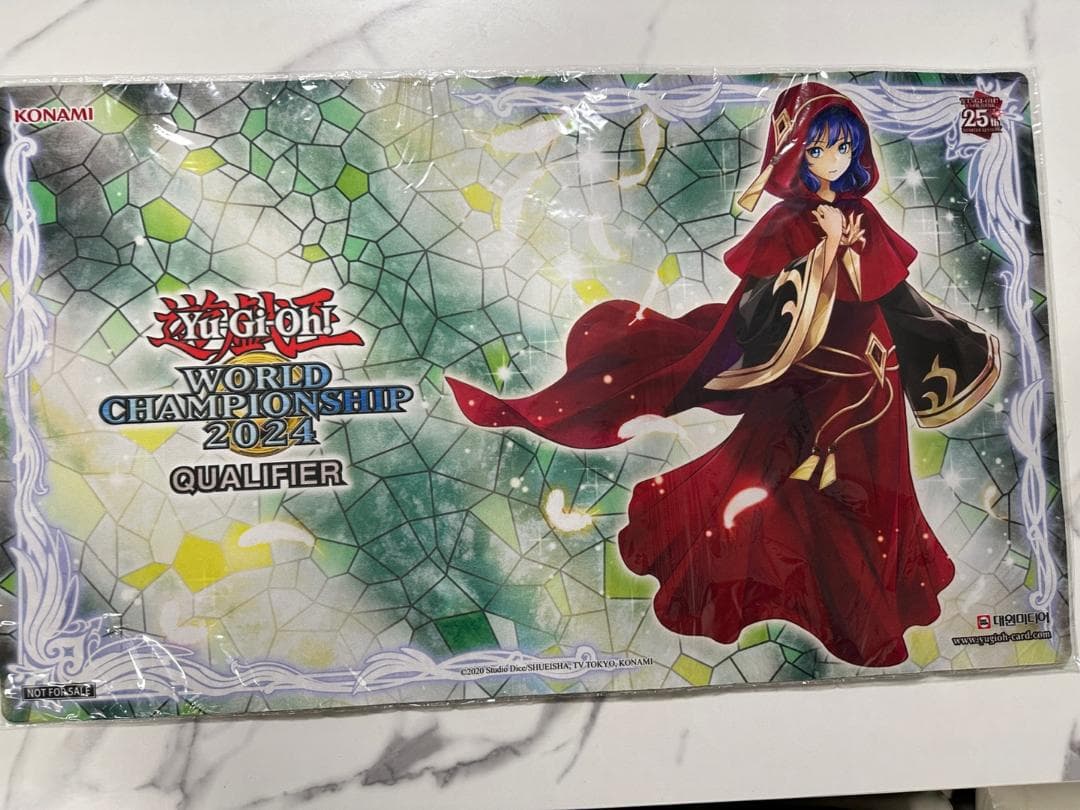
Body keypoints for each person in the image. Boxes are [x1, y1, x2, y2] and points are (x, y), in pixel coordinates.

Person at [448, 81, 999, 667]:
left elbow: (889, 293)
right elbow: (766, 310)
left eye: (842, 147)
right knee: (802, 491)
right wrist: (826, 249)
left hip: (873, 378)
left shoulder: (861, 213)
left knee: (877, 489)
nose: (832, 160)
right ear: (795, 153)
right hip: (808, 383)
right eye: (817, 149)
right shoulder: (787, 222)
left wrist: (938, 343)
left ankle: (882, 593)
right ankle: (851, 612)